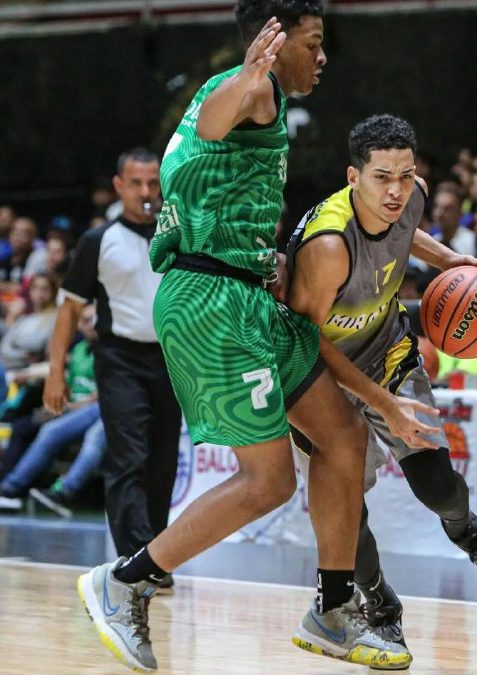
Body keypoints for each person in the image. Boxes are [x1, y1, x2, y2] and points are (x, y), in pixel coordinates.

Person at [72, 5, 411, 673]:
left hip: (251, 294)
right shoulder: (249, 88)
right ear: (276, 40)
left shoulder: (259, 91)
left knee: (342, 436)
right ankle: (126, 579)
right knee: (268, 481)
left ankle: (334, 608)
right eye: (313, 43)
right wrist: (252, 72)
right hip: (210, 301)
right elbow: (214, 119)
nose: (322, 56)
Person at [286, 114, 477, 650]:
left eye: (405, 175)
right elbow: (307, 340)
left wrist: (449, 261)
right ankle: (376, 598)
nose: (395, 191)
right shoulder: (327, 247)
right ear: (353, 177)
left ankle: (464, 527)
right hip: (316, 374)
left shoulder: (411, 195)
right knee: (347, 505)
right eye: (380, 178)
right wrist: (379, 403)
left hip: (387, 349)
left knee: (436, 484)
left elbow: (404, 232)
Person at [43, 147, 183, 591]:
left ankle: (156, 554)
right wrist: (55, 371)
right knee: (128, 456)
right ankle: (135, 558)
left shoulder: (179, 235)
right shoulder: (97, 240)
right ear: (120, 186)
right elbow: (69, 310)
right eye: (137, 183)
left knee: (163, 462)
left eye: (153, 183)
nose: (146, 192)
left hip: (173, 360)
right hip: (120, 359)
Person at [0, 304, 103, 517]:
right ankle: (10, 488)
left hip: (102, 410)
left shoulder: (114, 352)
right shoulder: (77, 350)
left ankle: (64, 492)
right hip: (74, 409)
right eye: (85, 320)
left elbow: (104, 394)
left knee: (94, 438)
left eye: (94, 319)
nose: (90, 325)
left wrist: (70, 407)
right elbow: (61, 378)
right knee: (44, 429)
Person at [0, 273, 57, 370]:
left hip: (32, 372)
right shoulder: (24, 318)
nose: (40, 293)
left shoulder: (55, 317)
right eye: (35, 288)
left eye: (45, 289)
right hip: (11, 368)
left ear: (53, 292)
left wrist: (16, 343)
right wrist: (22, 353)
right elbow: (4, 346)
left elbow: (37, 344)